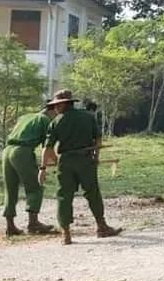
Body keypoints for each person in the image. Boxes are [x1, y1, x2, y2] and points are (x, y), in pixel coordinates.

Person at [39, 90, 122, 245]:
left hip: (66, 162)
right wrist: (96, 157)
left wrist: (43, 168)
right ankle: (101, 226)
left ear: (64, 104)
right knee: (92, 193)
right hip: (86, 160)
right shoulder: (87, 117)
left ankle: (66, 234)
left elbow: (48, 148)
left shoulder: (56, 122)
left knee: (64, 196)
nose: (55, 109)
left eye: (56, 105)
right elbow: (98, 139)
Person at [1, 101, 58, 236]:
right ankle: (33, 223)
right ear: (53, 111)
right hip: (22, 152)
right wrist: (58, 162)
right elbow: (47, 147)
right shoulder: (45, 121)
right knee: (35, 186)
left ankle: (10, 226)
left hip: (7, 151)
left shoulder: (26, 117)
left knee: (10, 189)